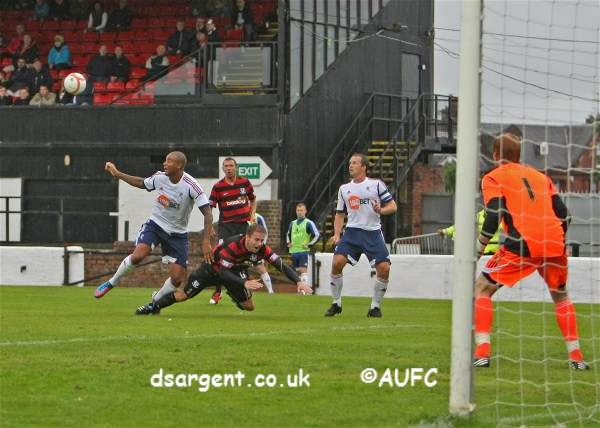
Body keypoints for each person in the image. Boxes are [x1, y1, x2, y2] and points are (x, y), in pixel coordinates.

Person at [472, 133, 589, 370]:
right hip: (554, 242)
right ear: (518, 155)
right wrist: (556, 240)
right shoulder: (541, 177)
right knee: (561, 296)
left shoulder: (493, 177)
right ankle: (576, 359)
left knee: (481, 289)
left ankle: (482, 354)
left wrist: (479, 248)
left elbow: (493, 215)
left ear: (495, 155)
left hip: (522, 243)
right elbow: (565, 215)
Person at [94, 152, 214, 303]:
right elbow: (141, 183)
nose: (165, 164)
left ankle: (155, 300)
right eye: (165, 161)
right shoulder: (160, 177)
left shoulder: (191, 185)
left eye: (169, 161)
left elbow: (208, 213)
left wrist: (206, 241)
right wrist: (117, 174)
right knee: (138, 256)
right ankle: (112, 282)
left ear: (179, 165)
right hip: (156, 225)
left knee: (177, 279)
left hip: (177, 234)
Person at [135, 223, 312, 315]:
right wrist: (243, 283)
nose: (259, 244)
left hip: (233, 271)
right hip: (211, 270)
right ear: (247, 237)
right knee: (183, 295)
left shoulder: (262, 249)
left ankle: (233, 295)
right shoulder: (233, 245)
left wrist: (298, 281)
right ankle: (151, 306)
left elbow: (280, 264)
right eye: (256, 240)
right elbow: (222, 272)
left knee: (249, 307)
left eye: (261, 240)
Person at [325, 153, 397, 318]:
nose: (350, 165)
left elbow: (393, 206)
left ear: (363, 167)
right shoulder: (344, 189)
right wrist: (337, 234)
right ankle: (336, 303)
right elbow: (339, 214)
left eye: (355, 163)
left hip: (373, 232)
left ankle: (375, 307)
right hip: (352, 232)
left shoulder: (376, 185)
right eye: (350, 163)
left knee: (384, 268)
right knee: (336, 263)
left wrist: (381, 210)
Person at [208, 157, 257, 304]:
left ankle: (242, 289)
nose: (229, 168)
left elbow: (253, 199)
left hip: (243, 226)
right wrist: (209, 226)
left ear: (236, 167)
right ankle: (217, 292)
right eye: (226, 166)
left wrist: (252, 214)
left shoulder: (245, 183)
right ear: (223, 169)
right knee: (220, 258)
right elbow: (209, 207)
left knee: (243, 256)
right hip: (226, 227)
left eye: (231, 165)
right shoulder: (218, 186)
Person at [287, 202, 320, 285]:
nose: (299, 212)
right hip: (293, 251)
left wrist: (309, 244)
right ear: (296, 211)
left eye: (301, 210)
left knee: (303, 271)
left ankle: (304, 290)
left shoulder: (308, 223)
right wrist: (288, 242)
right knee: (296, 273)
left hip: (303, 251)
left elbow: (317, 235)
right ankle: (301, 289)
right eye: (298, 210)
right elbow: (288, 234)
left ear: (305, 211)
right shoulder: (292, 223)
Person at [249, 213, 273, 293]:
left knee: (260, 267)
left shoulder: (258, 217)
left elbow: (265, 232)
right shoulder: (241, 215)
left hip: (255, 248)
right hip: (244, 247)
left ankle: (271, 291)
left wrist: (261, 245)